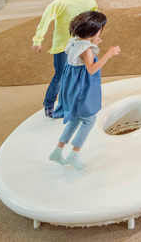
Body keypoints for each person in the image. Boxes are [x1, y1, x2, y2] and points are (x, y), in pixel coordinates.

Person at [49, 11, 120, 170]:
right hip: (81, 87)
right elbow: (91, 69)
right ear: (94, 30)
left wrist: (93, 43)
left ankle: (58, 151)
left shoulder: (74, 41)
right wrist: (108, 54)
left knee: (75, 119)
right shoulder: (86, 48)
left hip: (71, 85)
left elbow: (80, 57)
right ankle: (74, 154)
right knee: (89, 119)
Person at [32, 0, 99, 118]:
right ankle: (49, 103)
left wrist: (94, 36)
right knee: (60, 77)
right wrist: (37, 40)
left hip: (82, 44)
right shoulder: (60, 3)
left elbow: (94, 17)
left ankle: (74, 102)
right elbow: (45, 20)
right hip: (63, 46)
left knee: (80, 75)